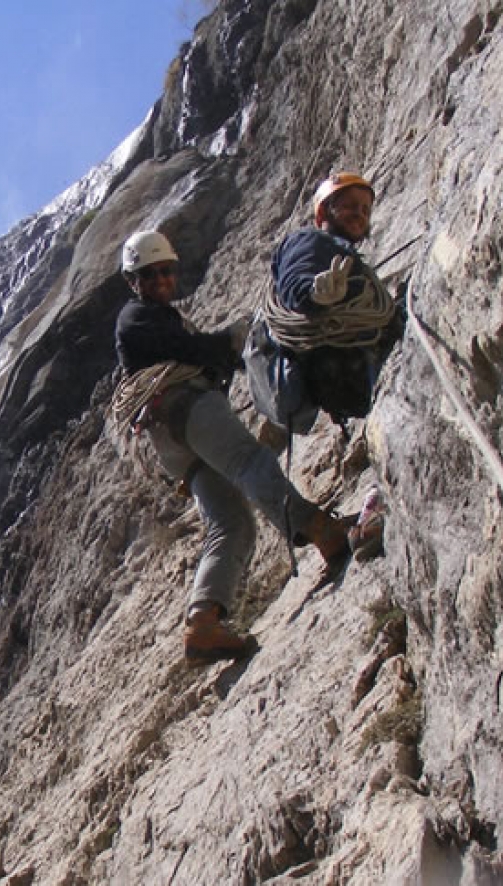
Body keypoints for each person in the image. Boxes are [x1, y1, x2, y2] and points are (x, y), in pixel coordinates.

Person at [113, 230, 354, 663]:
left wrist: (229, 348)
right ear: (135, 279)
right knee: (249, 462)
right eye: (152, 274)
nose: (163, 281)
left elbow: (193, 351)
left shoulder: (153, 319)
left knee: (232, 522)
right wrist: (229, 340)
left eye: (167, 272)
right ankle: (322, 531)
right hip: (185, 408)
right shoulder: (137, 318)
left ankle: (203, 622)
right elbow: (187, 350)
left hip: (171, 439)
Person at [267, 172, 404, 426]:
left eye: (365, 209)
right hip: (346, 365)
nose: (360, 213)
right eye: (350, 206)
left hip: (346, 372)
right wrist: (315, 295)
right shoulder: (309, 239)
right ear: (322, 215)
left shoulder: (342, 253)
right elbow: (294, 283)